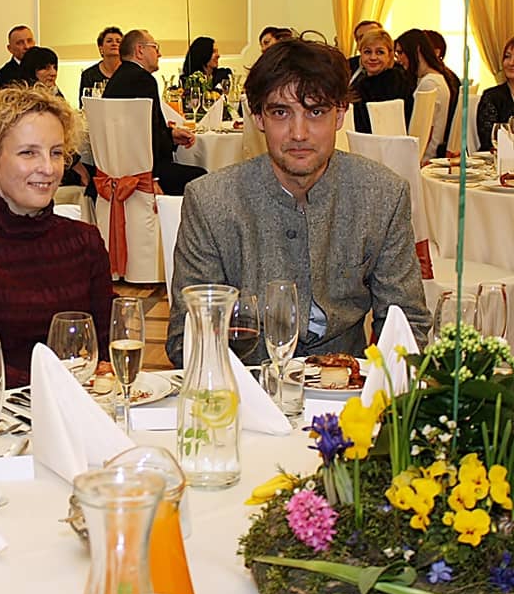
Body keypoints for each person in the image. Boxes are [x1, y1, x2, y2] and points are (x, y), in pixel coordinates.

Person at [165, 38, 430, 366]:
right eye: (281, 112)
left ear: (340, 115)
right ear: (258, 117)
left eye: (316, 112)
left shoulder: (382, 195)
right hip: (245, 381)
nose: (299, 133)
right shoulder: (211, 201)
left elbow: (406, 322)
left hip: (347, 383)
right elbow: (187, 338)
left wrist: (381, 384)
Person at [0, 85, 113, 391]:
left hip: (84, 404)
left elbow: (108, 343)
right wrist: (62, 384)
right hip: (9, 411)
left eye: (56, 153)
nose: (48, 168)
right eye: (29, 153)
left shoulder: (85, 241)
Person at [102, 29, 205, 195]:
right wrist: (153, 178)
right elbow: (147, 134)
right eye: (155, 47)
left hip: (119, 169)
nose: (160, 54)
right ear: (140, 50)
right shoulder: (143, 79)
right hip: (142, 171)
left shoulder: (119, 77)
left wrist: (170, 135)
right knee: (201, 179)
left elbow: (134, 130)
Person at [18, 46, 90, 191]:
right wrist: (78, 166)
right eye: (45, 68)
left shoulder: (53, 92)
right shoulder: (32, 100)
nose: (53, 73)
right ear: (32, 70)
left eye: (54, 67)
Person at [395, 28, 458, 159]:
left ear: (417, 50)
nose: (399, 59)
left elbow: (425, 130)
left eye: (401, 53)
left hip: (425, 157)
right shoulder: (437, 78)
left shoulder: (429, 83)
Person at [349, 28, 414, 134]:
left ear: (389, 56)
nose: (373, 57)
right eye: (367, 52)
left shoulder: (395, 82)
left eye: (380, 52)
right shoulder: (362, 83)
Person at [477, 35, 514, 151]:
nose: (511, 63)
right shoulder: (492, 97)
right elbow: (489, 140)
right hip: (497, 159)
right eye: (507, 56)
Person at [79, 26, 123, 106]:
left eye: (118, 41)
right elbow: (84, 105)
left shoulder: (130, 73)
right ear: (101, 48)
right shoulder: (88, 75)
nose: (114, 44)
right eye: (109, 41)